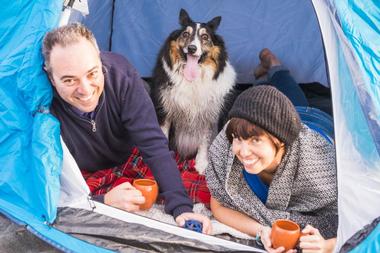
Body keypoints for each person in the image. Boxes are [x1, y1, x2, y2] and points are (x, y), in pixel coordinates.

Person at [42, 23, 211, 233]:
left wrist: (181, 207)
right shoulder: (41, 105)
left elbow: (152, 143)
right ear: (51, 78)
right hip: (81, 174)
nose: (85, 90)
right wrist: (102, 201)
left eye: (92, 74)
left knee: (198, 187)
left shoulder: (120, 74)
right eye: (69, 80)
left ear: (100, 60)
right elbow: (43, 189)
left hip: (128, 155)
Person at [205, 49, 337, 252]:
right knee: (266, 106)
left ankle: (275, 67)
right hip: (274, 121)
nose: (243, 151)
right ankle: (262, 77)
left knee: (296, 100)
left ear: (280, 142)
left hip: (313, 123)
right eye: (238, 139)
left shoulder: (321, 168)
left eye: (255, 140)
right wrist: (261, 230)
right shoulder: (226, 146)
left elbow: (363, 218)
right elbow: (219, 205)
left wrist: (328, 246)